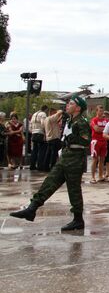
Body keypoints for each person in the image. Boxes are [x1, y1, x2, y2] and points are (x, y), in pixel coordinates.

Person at [10, 95, 91, 231]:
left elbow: (86, 141)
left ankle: (78, 219)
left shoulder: (81, 122)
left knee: (74, 190)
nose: (67, 106)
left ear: (78, 108)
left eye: (70, 104)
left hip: (75, 160)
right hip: (65, 157)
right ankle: (32, 208)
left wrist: (72, 138)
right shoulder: (70, 120)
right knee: (49, 182)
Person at [89, 106, 108, 183]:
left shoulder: (106, 120)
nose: (101, 113)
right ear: (96, 111)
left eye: (102, 111)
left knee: (102, 160)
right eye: (100, 111)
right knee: (95, 159)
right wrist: (105, 129)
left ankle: (100, 175)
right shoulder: (94, 120)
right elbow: (96, 129)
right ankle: (92, 177)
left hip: (104, 141)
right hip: (96, 141)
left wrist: (102, 129)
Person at [30, 104, 48, 171]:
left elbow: (31, 124)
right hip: (40, 133)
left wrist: (32, 131)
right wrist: (46, 132)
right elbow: (44, 124)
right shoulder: (43, 114)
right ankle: (40, 166)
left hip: (34, 133)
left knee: (34, 150)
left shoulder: (34, 114)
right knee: (42, 150)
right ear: (46, 109)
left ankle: (32, 165)